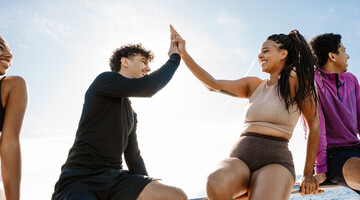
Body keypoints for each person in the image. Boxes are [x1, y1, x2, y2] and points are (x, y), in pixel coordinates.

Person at [170, 25, 321, 199]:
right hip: (239, 159)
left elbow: (314, 126)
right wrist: (184, 54)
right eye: (259, 52)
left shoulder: (296, 79)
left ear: (283, 53)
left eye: (266, 51)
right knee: (215, 182)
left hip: (276, 162)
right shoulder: (254, 85)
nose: (259, 56)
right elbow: (214, 85)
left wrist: (308, 174)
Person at [52, 39, 187, 200]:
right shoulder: (103, 81)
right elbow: (148, 87)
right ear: (125, 62)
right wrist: (174, 57)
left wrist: (145, 184)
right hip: (80, 179)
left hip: (115, 179)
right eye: (143, 61)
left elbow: (133, 156)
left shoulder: (131, 114)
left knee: (175, 196)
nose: (148, 68)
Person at [309, 33, 360, 194]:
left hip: (356, 147)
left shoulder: (351, 80)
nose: (348, 56)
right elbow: (316, 129)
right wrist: (320, 169)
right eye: (344, 51)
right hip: (333, 154)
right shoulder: (313, 82)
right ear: (332, 56)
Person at [0, 35, 28, 200]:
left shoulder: (12, 86)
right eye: (0, 48)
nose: (9, 56)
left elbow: (9, 144)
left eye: (10, 52)